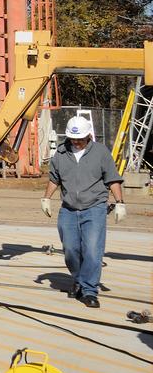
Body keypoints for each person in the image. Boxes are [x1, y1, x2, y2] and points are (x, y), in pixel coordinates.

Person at [42, 115, 125, 308]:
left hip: (94, 208)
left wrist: (120, 202)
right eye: (73, 138)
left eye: (80, 139)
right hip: (69, 209)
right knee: (71, 250)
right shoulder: (61, 153)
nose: (76, 142)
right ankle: (79, 279)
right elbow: (54, 179)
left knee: (92, 250)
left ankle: (89, 290)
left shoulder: (100, 152)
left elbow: (112, 178)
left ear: (88, 135)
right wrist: (46, 198)